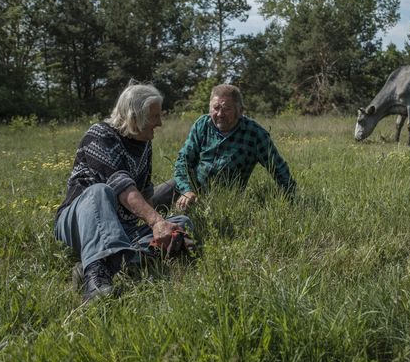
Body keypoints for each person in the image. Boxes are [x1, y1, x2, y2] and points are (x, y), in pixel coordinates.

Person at [54, 83, 192, 302]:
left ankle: (105, 262)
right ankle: (96, 284)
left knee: (181, 222)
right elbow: (121, 184)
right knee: (99, 192)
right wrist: (156, 222)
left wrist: (163, 229)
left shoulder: (144, 143)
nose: (160, 123)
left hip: (120, 229)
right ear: (134, 116)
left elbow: (145, 191)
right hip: (79, 222)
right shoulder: (100, 134)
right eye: (154, 116)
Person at [153, 84, 296, 211]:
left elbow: (279, 169)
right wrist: (186, 190)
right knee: (149, 201)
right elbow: (183, 161)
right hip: (190, 188)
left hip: (223, 200)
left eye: (227, 109)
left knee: (182, 225)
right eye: (216, 108)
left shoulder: (255, 134)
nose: (220, 114)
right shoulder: (202, 124)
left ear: (240, 111)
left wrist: (291, 203)